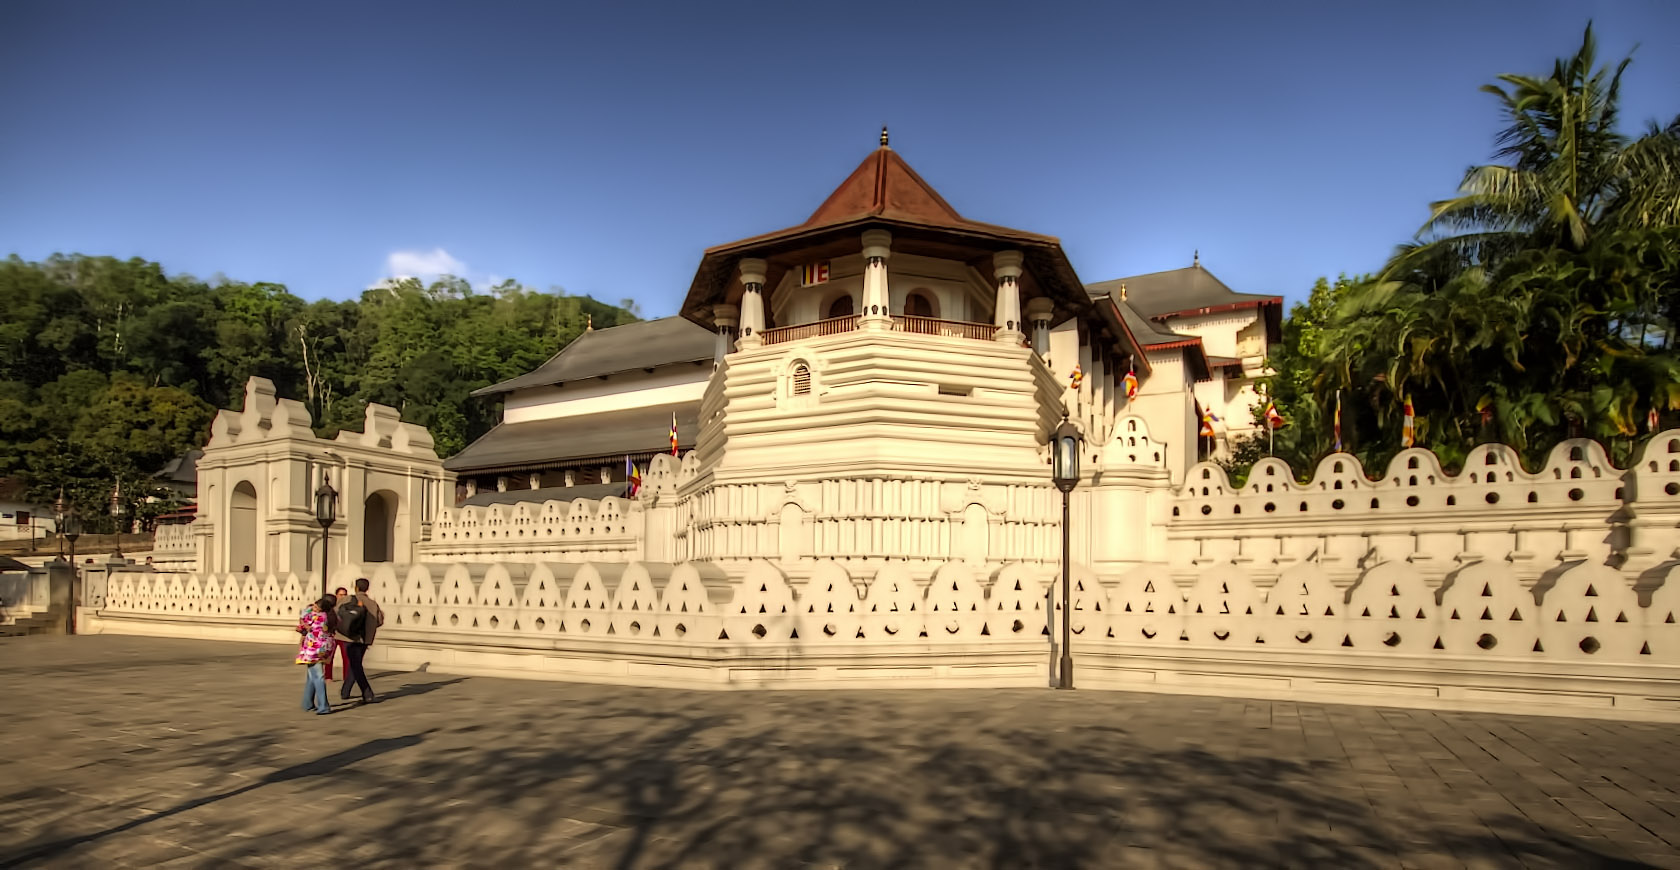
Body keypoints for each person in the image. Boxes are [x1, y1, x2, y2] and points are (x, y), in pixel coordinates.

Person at [335, 577, 384, 704]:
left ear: (356, 587)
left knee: (355, 665)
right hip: (363, 638)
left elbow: (336, 613)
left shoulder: (346, 599)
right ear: (367, 588)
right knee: (355, 664)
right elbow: (379, 621)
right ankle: (345, 691)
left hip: (347, 636)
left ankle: (367, 693)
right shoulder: (372, 604)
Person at [296, 596, 337, 715]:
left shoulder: (316, 616)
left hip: (314, 648)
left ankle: (323, 706)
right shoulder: (330, 617)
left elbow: (303, 616)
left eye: (316, 606)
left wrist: (308, 609)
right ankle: (307, 703)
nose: (313, 608)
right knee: (312, 675)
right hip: (324, 648)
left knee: (317, 676)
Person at [324, 587, 350, 681]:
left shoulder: (348, 606)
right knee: (329, 656)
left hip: (344, 635)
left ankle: (346, 677)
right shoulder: (331, 607)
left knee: (346, 657)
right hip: (332, 635)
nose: (342, 596)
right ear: (336, 595)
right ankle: (328, 676)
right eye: (340, 594)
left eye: (344, 594)